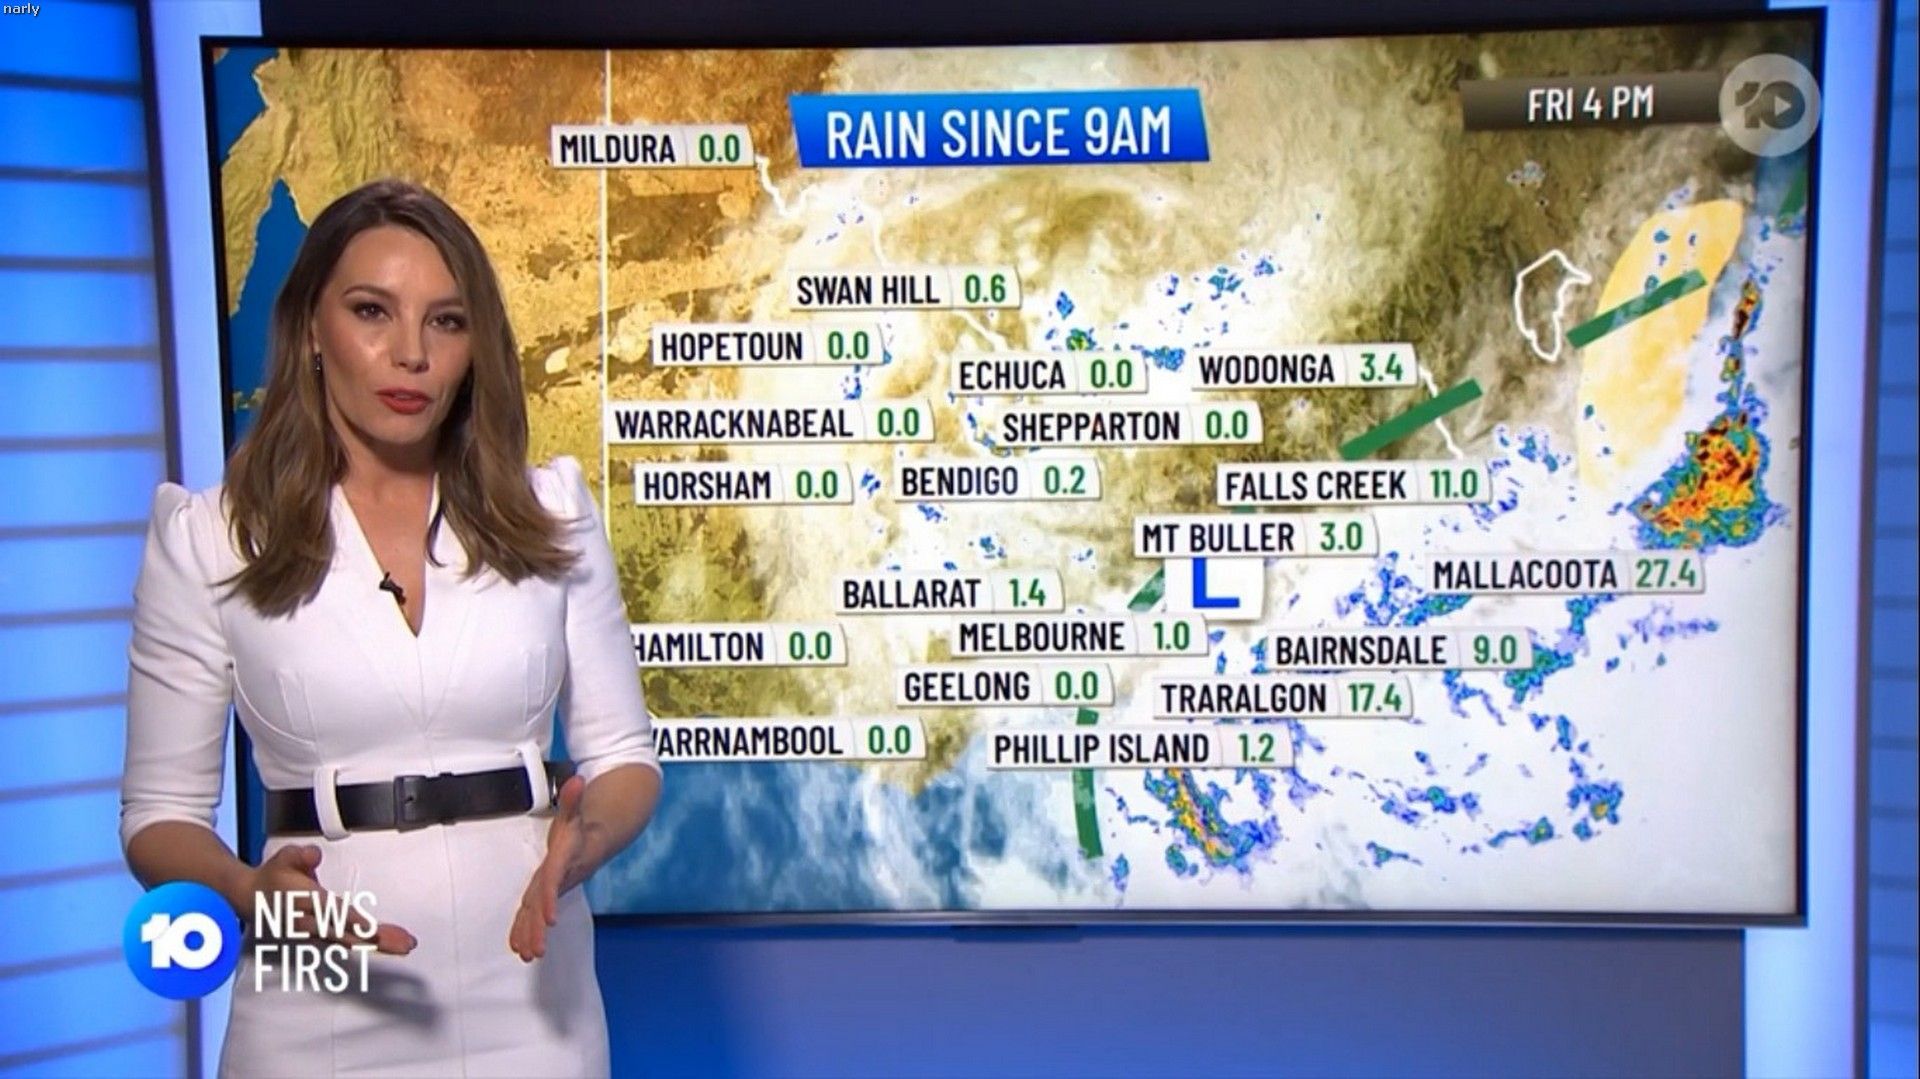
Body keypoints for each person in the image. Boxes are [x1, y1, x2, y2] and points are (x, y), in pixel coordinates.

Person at [120, 178, 661, 1077]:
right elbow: (157, 816)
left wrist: (584, 845)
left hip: (534, 995)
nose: (411, 353)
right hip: (320, 995)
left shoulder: (552, 513)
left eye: (446, 322)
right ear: (311, 329)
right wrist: (250, 893)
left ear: (474, 347)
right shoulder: (211, 537)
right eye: (372, 311)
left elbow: (625, 759)